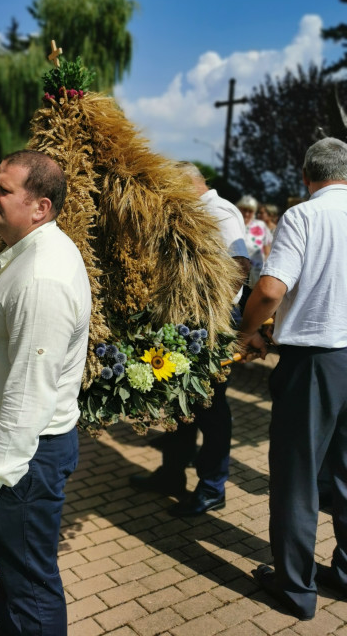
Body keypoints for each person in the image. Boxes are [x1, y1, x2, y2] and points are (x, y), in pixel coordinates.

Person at [0, 150, 91, 635]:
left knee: (31, 585)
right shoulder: (29, 253)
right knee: (17, 574)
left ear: (40, 207)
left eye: (4, 190)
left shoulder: (42, 277)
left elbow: (29, 393)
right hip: (21, 455)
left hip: (25, 461)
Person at [239, 137, 347, 621]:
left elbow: (269, 288)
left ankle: (295, 586)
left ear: (307, 176)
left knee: (296, 475)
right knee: (346, 473)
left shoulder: (304, 216)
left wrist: (246, 331)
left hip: (315, 361)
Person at [130, 163, 250, 516]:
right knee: (177, 401)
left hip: (211, 323)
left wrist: (207, 310)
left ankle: (212, 487)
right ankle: (172, 475)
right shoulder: (192, 211)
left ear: (187, 183)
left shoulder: (220, 211)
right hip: (185, 322)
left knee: (209, 408)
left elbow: (239, 265)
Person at [236, 195, 272, 287]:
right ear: (238, 209)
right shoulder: (233, 224)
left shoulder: (261, 225)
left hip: (256, 275)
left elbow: (267, 252)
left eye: (250, 211)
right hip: (235, 274)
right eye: (244, 210)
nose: (247, 214)